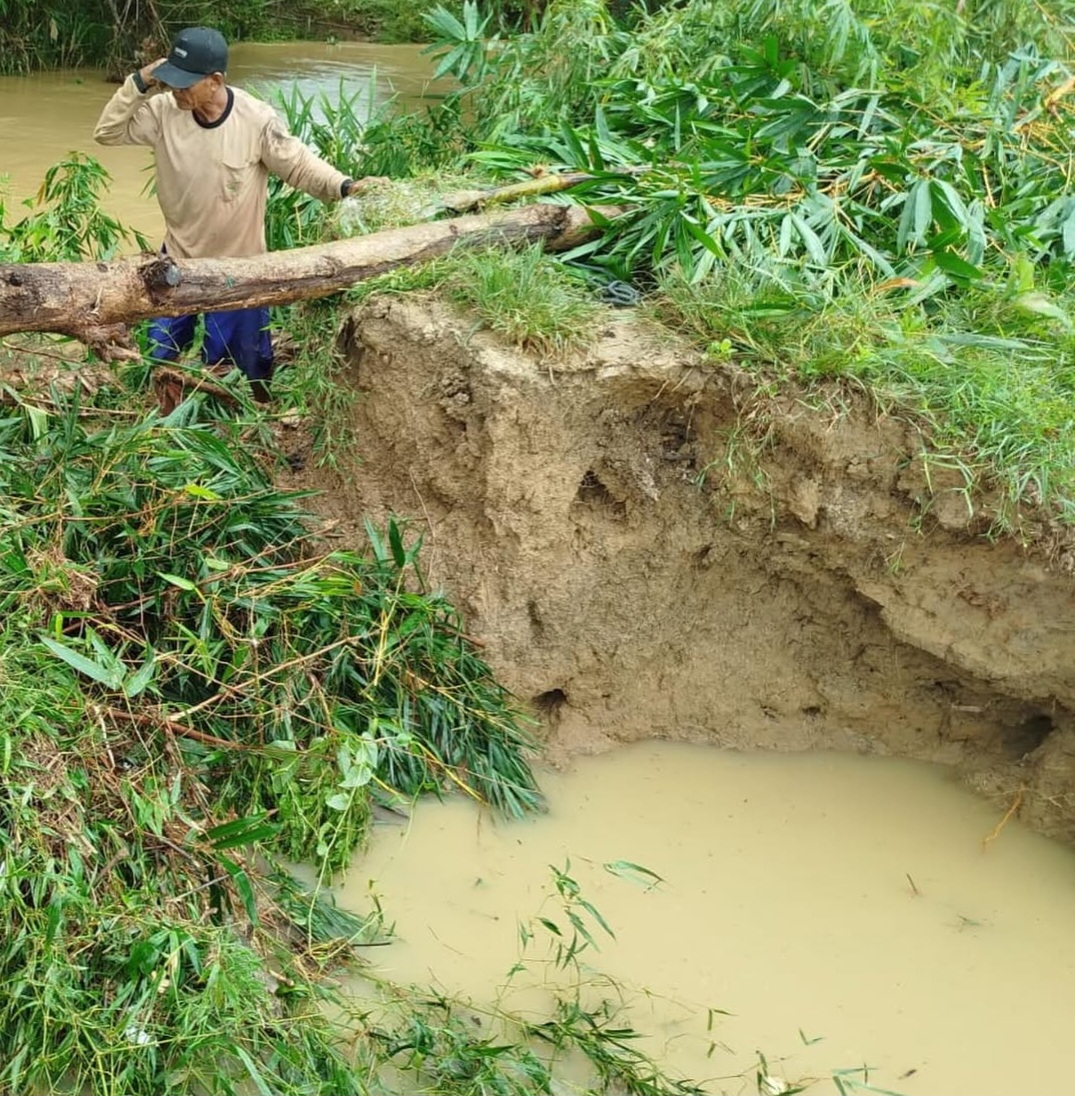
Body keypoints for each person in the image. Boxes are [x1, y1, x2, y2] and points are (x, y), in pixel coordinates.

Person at [94, 26, 381, 407]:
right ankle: (164, 423)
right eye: (171, 81)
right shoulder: (163, 113)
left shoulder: (255, 119)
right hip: (175, 260)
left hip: (238, 267)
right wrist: (140, 80)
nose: (176, 90)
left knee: (239, 361)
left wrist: (344, 186)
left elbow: (297, 165)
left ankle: (251, 416)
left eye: (185, 83)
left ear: (214, 81)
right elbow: (107, 132)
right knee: (160, 351)